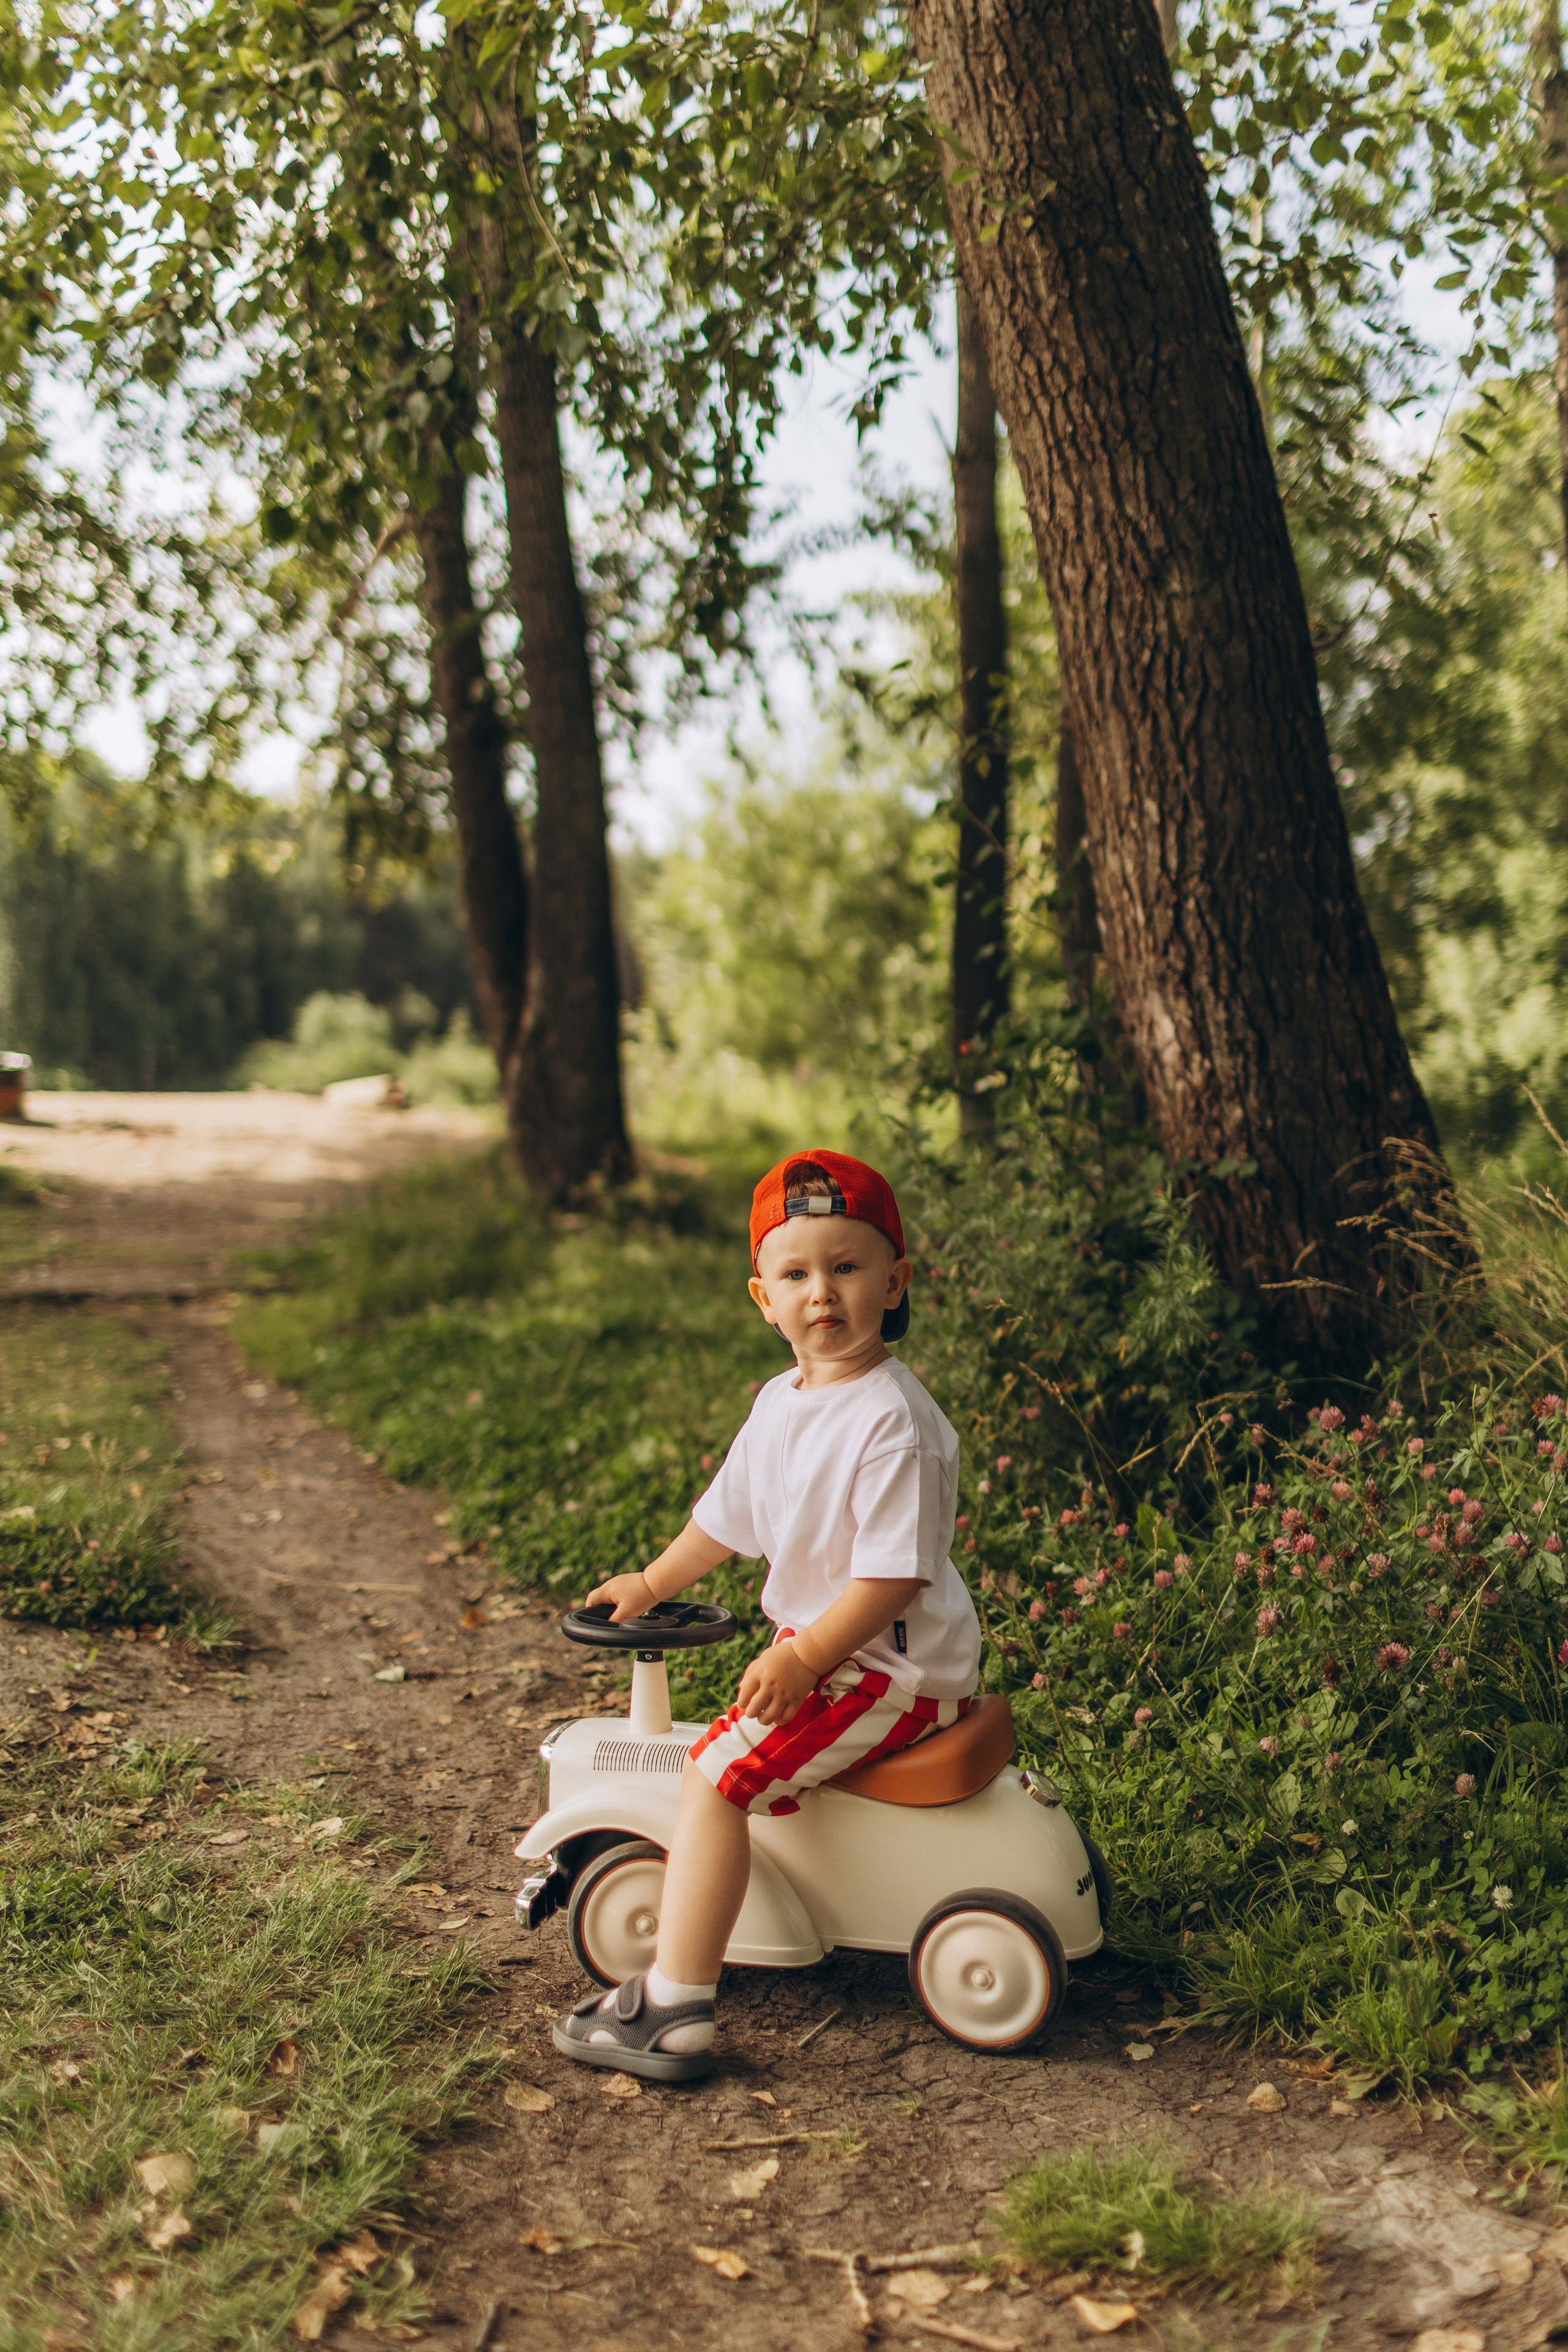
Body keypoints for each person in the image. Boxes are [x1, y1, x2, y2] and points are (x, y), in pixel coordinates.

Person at [553, 1147, 982, 2082]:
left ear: (895, 1281)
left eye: (846, 1266)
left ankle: (674, 2007)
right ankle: (749, 1910)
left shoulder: (893, 1421)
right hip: (834, 1652)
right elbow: (725, 1520)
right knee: (740, 1750)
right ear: (763, 1298)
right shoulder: (782, 1404)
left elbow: (893, 1580)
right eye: (796, 1273)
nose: (821, 1293)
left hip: (889, 1666)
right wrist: (652, 1583)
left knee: (712, 1777)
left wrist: (807, 1658)